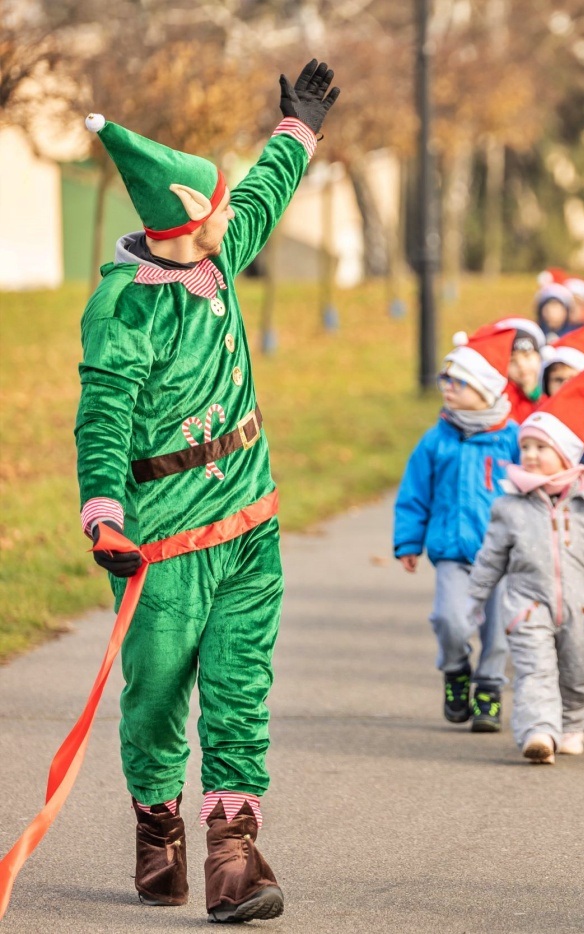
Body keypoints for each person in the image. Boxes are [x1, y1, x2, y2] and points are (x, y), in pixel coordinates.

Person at [73, 60, 337, 921]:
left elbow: (263, 191)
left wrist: (298, 128)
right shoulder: (124, 309)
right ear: (186, 222)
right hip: (162, 544)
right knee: (155, 695)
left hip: (250, 524)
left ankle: (234, 854)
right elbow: (104, 418)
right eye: (217, 208)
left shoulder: (221, 253)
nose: (233, 217)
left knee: (239, 685)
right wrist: (104, 512)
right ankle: (158, 828)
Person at [464, 370, 584, 763]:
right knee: (534, 671)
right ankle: (538, 732)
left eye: (540, 447)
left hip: (581, 607)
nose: (530, 455)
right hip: (527, 604)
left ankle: (571, 723)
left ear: (566, 455)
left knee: (578, 671)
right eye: (526, 447)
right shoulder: (510, 506)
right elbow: (490, 559)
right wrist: (474, 600)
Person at [394, 329, 520, 732]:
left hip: (502, 556)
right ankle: (455, 670)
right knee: (450, 620)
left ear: (485, 390)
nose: (447, 389)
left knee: (498, 631)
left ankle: (488, 688)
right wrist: (409, 541)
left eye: (459, 383)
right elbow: (415, 493)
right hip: (452, 552)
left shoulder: (514, 440)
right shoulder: (436, 440)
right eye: (445, 380)